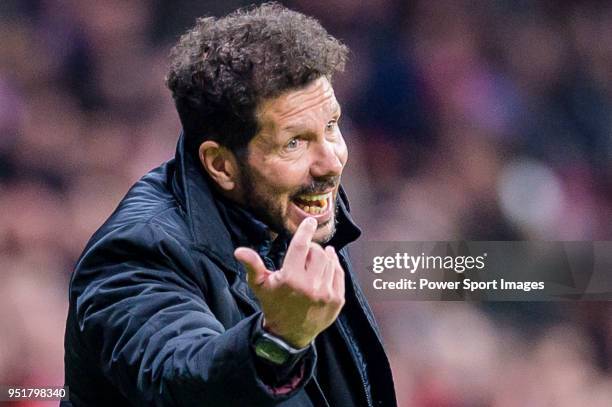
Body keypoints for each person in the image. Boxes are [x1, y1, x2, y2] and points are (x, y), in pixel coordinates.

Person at [62, 3, 397, 406]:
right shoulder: (136, 252)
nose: (332, 161)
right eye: (295, 142)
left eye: (331, 126)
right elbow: (179, 381)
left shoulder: (294, 209)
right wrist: (277, 342)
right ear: (221, 165)